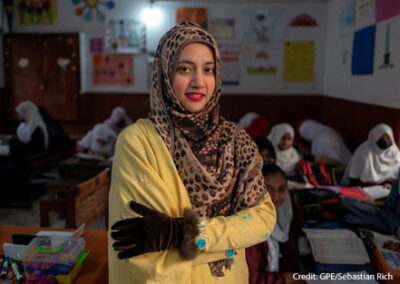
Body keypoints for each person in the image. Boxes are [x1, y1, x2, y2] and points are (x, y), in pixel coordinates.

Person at [108, 22, 276, 284]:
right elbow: (148, 261)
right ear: (165, 73)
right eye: (184, 69)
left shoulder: (235, 140)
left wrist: (184, 233)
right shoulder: (139, 143)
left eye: (208, 70)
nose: (199, 81)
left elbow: (263, 220)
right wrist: (230, 243)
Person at [246, 164, 304, 284]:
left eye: (281, 189)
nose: (276, 197)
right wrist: (284, 279)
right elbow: (251, 279)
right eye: (268, 189)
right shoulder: (249, 227)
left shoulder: (281, 219)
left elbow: (290, 259)